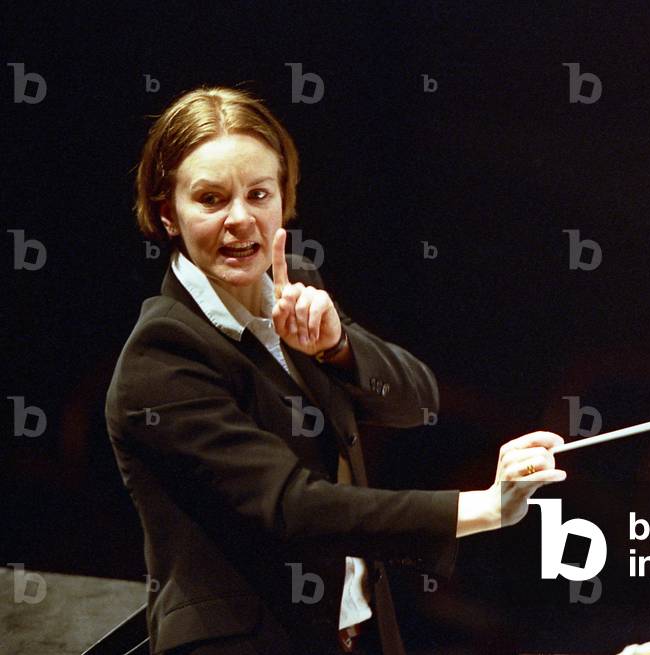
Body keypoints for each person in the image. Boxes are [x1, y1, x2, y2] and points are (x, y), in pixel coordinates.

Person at [105, 85, 566, 655]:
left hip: (357, 633)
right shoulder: (163, 354)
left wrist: (339, 346)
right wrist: (484, 507)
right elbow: (293, 507)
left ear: (284, 199)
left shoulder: (295, 287)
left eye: (258, 193)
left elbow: (417, 403)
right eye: (210, 199)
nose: (240, 220)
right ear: (167, 212)